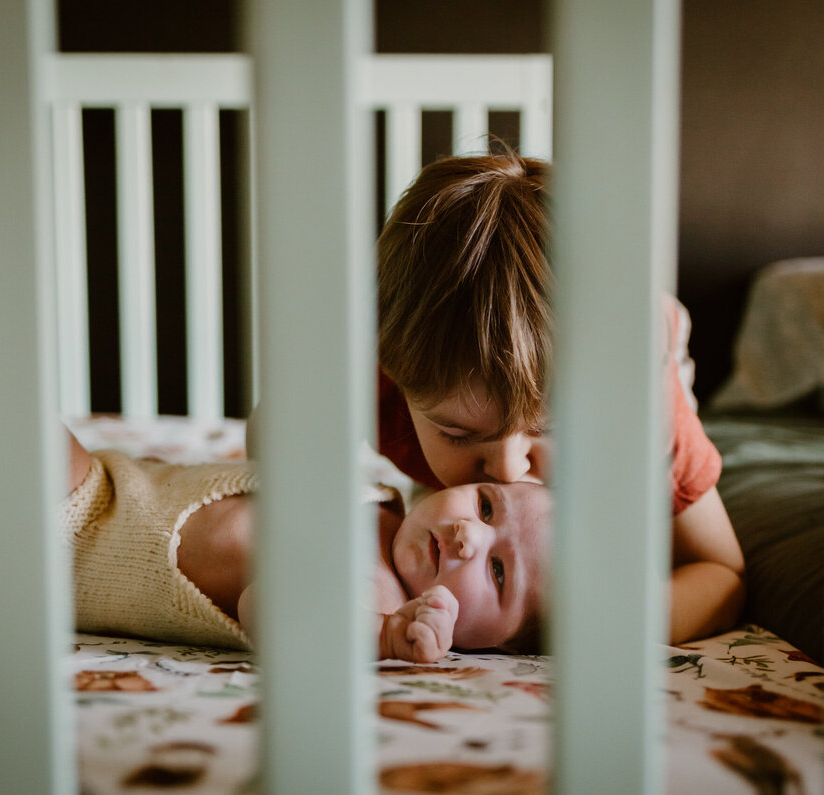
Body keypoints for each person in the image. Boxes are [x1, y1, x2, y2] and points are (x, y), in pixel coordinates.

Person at [373, 152, 745, 645]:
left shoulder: (640, 420)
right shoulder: (383, 379)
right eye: (458, 433)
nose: (508, 470)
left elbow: (721, 572)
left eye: (548, 430)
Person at [65, 431, 551, 663]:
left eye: (499, 571)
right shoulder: (386, 501)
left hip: (77, 538)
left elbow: (265, 608)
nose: (469, 534)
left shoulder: (380, 603)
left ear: (503, 642)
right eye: (486, 507)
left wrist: (382, 636)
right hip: (110, 477)